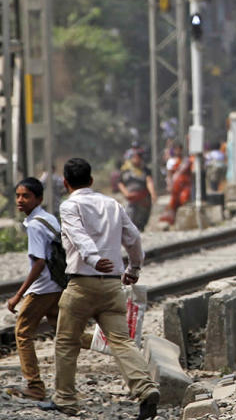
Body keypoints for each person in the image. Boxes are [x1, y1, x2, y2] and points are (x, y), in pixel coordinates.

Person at [40, 158, 159, 418]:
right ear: (91, 181)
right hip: (112, 287)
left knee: (66, 342)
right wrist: (133, 269)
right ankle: (146, 388)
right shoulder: (112, 204)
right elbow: (134, 238)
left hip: (82, 285)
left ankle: (65, 400)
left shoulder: (69, 205)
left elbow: (77, 234)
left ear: (67, 183)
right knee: (122, 342)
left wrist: (93, 259)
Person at [6, 178, 62, 401]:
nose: (20, 200)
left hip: (43, 288)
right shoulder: (48, 219)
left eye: (26, 196)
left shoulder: (35, 225)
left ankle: (35, 385)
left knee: (22, 332)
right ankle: (105, 343)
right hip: (57, 284)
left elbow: (38, 263)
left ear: (38, 199)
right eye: (18, 195)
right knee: (66, 330)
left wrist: (18, 295)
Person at [118, 148, 156, 231]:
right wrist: (126, 193)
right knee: (129, 215)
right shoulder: (125, 170)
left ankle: (140, 229)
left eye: (138, 157)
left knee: (142, 216)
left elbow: (149, 181)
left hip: (143, 197)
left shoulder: (145, 170)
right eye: (134, 157)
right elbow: (120, 183)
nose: (136, 159)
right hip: (130, 198)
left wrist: (152, 193)